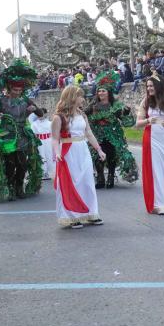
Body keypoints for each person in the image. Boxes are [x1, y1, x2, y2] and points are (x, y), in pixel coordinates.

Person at [0, 59, 44, 201]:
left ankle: (19, 187)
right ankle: (10, 187)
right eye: (15, 90)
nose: (18, 92)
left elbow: (40, 114)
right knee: (10, 164)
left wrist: (35, 109)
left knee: (22, 163)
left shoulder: (25, 100)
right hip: (6, 136)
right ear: (9, 89)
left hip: (22, 135)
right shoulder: (0, 101)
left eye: (20, 90)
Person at [52, 85, 106, 229]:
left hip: (83, 150)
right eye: (80, 96)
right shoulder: (59, 117)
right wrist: (57, 153)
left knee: (87, 181)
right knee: (72, 183)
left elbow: (88, 133)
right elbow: (54, 139)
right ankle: (72, 217)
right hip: (68, 152)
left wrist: (99, 149)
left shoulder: (82, 115)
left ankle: (91, 213)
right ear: (72, 97)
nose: (83, 99)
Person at [85, 71, 138, 189]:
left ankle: (110, 176)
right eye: (99, 91)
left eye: (103, 91)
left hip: (113, 134)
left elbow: (126, 121)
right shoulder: (93, 106)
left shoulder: (116, 106)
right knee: (97, 154)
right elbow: (83, 116)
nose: (100, 93)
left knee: (111, 155)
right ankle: (100, 177)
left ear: (108, 92)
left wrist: (126, 113)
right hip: (97, 135)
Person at [136, 76, 164, 215]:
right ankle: (159, 204)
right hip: (152, 138)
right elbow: (138, 123)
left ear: (159, 86)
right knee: (157, 171)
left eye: (151, 86)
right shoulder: (146, 102)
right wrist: (148, 120)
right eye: (148, 86)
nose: (149, 88)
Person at [28, 110, 55, 180]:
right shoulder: (34, 124)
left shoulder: (50, 123)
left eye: (42, 114)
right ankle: (42, 172)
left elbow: (53, 133)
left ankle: (49, 172)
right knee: (41, 155)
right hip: (39, 141)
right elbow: (33, 134)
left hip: (48, 141)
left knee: (49, 155)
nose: (41, 116)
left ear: (45, 114)